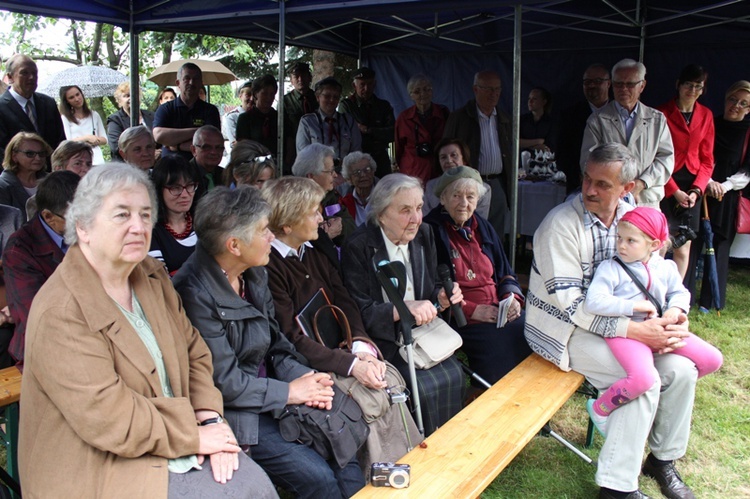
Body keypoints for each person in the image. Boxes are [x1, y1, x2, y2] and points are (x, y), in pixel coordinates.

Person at [19, 164, 275, 497]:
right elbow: (107, 415)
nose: (138, 227)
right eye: (121, 215)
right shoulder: (61, 310)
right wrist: (194, 435)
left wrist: (210, 417)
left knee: (255, 486)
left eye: (144, 214)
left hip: (175, 436)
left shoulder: (150, 275)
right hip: (103, 464)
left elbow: (195, 352)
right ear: (83, 227)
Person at [526, 143, 702, 499]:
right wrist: (637, 330)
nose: (589, 189)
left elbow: (657, 274)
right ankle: (617, 487)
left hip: (626, 325)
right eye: (587, 179)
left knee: (682, 370)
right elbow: (572, 305)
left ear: (628, 188)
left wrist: (673, 315)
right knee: (641, 380)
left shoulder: (634, 215)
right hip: (562, 330)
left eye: (603, 184)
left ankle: (662, 460)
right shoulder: (560, 225)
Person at [172, 186, 365, 498]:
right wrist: (289, 392)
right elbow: (223, 382)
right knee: (319, 478)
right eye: (263, 230)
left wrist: (302, 378)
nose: (271, 237)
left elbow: (276, 340)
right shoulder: (193, 293)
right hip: (237, 412)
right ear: (233, 245)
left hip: (274, 388)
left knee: (342, 445)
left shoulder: (253, 271)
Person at [341, 173, 466, 436]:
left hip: (424, 335)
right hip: (385, 338)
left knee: (454, 374)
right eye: (405, 210)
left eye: (419, 208)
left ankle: (450, 438)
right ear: (382, 214)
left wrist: (441, 298)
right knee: (418, 385)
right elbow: (360, 311)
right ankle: (425, 441)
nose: (417, 219)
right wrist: (402, 309)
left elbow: (429, 289)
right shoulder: (359, 246)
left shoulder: (424, 235)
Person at [584, 206, 722, 437]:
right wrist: (633, 306)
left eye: (631, 240)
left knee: (712, 359)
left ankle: (663, 401)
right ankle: (601, 409)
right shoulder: (611, 268)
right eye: (619, 238)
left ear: (655, 245)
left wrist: (676, 310)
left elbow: (679, 292)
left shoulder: (665, 267)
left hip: (658, 326)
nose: (621, 245)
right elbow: (594, 301)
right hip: (625, 332)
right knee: (643, 378)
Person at [424, 166, 530, 384]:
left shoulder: (482, 226)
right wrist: (473, 311)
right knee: (499, 346)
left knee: (533, 332)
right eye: (456, 196)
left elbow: (505, 271)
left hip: (499, 311)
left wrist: (512, 300)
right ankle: (496, 406)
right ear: (443, 199)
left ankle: (534, 406)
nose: (464, 203)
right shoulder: (430, 230)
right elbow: (431, 287)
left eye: (470, 196)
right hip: (462, 318)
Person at [3, 171, 79, 367]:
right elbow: (39, 316)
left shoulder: (91, 230)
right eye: (75, 218)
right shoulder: (20, 249)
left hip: (97, 337)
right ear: (48, 216)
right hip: (47, 349)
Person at [686, 80, 750, 311]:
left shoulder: (748, 131)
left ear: (749, 108)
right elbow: (700, 156)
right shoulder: (710, 123)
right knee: (693, 242)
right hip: (702, 189)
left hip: (728, 196)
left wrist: (725, 186)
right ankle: (686, 297)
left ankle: (711, 300)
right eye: (733, 100)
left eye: (743, 103)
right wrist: (709, 182)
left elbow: (747, 169)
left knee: (721, 246)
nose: (736, 106)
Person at [581, 58, 674, 209]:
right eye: (618, 84)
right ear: (611, 85)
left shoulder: (656, 119)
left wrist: (642, 183)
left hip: (647, 200)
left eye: (630, 84)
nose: (623, 89)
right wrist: (616, 186)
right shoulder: (597, 120)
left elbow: (666, 159)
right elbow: (588, 160)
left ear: (642, 86)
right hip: (609, 201)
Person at [656, 64, 714, 279]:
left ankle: (676, 297)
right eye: (688, 85)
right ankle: (654, 292)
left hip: (692, 187)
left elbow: (707, 160)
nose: (692, 90)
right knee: (659, 243)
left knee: (683, 246)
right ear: (678, 85)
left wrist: (697, 190)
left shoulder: (706, 115)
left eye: (698, 86)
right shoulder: (661, 113)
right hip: (665, 181)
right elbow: (654, 156)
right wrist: (673, 190)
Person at [444, 69, 511, 240]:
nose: (494, 94)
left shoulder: (504, 118)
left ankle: (493, 265)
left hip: (497, 183)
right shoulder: (460, 117)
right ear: (476, 89)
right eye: (488, 89)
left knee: (496, 234)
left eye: (497, 89)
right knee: (470, 232)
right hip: (469, 184)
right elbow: (447, 149)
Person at [558, 63, 611, 193]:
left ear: (608, 83)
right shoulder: (569, 116)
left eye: (597, 81)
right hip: (580, 185)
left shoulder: (618, 113)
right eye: (587, 82)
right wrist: (582, 176)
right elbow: (562, 153)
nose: (592, 85)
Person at [0, 54, 65, 159]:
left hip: (50, 172)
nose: (31, 77)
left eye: (34, 73)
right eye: (24, 73)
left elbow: (60, 141)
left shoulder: (48, 103)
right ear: (10, 77)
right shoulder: (2, 107)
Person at [153, 62, 221, 160]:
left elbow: (210, 143)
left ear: (201, 83)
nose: (191, 82)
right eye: (187, 78)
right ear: (178, 83)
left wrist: (177, 145)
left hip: (200, 169)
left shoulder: (210, 110)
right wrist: (199, 131)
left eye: (196, 79)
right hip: (171, 168)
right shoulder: (166, 109)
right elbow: (159, 136)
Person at [293, 143, 356, 249]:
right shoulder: (292, 204)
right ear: (311, 176)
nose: (335, 175)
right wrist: (323, 236)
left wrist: (341, 228)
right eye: (330, 171)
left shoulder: (331, 197)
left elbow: (352, 227)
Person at [148, 155, 200, 276]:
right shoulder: (151, 231)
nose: (184, 194)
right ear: (158, 190)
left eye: (190, 186)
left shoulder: (203, 222)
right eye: (175, 188)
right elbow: (161, 279)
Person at [339, 67, 395, 178]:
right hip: (357, 159)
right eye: (362, 85)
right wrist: (378, 133)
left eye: (370, 84)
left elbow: (393, 133)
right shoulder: (347, 105)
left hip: (380, 158)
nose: (366, 88)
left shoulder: (383, 106)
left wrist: (368, 130)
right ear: (354, 86)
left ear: (374, 84)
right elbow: (346, 133)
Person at [394, 74, 450, 184]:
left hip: (438, 170)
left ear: (432, 92)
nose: (422, 94)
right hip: (412, 172)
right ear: (411, 96)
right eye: (417, 91)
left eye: (426, 89)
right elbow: (398, 148)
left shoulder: (444, 113)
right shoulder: (404, 117)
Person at [296, 77, 361, 163]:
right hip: (318, 173)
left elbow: (356, 152)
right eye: (327, 96)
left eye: (336, 97)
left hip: (345, 173)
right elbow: (303, 156)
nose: (331, 100)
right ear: (318, 97)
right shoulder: (307, 122)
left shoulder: (349, 121)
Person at [423, 138, 491, 219]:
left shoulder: (483, 188)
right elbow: (425, 219)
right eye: (443, 157)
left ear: (464, 159)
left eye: (454, 155)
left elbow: (480, 221)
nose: (449, 161)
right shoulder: (431, 186)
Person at [0, 131, 50, 220]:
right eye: (30, 154)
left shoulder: (52, 181)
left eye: (41, 153)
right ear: (14, 156)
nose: (38, 158)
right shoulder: (3, 186)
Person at [58, 85, 107, 164]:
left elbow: (104, 139)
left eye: (78, 94)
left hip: (97, 159)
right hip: (77, 159)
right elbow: (67, 142)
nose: (77, 99)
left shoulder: (94, 115)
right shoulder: (65, 118)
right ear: (67, 101)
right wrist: (86, 138)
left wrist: (95, 139)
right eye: (71, 97)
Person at [107, 82, 155, 161]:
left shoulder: (152, 116)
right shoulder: (115, 120)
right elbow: (116, 146)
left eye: (135, 95)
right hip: (126, 167)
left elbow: (162, 139)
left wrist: (154, 152)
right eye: (127, 96)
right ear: (119, 101)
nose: (131, 98)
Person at [284, 62, 318, 170]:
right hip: (294, 151)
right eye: (296, 76)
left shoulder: (318, 98)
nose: (300, 79)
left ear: (310, 77)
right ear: (291, 80)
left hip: (317, 149)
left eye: (303, 75)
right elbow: (284, 130)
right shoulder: (285, 101)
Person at [236, 75, 278, 157]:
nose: (269, 97)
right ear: (255, 94)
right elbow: (243, 147)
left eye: (272, 94)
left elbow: (288, 145)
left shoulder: (280, 118)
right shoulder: (245, 119)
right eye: (264, 93)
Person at [339, 151, 376, 226]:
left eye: (367, 169)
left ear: (373, 172)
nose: (363, 175)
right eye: (357, 172)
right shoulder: (343, 202)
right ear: (349, 179)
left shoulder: (385, 197)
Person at [222, 81, 253, 163]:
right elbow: (236, 143)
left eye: (254, 95)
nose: (251, 99)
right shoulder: (232, 117)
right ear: (240, 96)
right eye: (248, 95)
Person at [519, 87, 558, 153]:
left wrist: (527, 145)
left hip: (543, 161)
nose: (530, 102)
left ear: (544, 102)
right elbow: (516, 142)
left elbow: (548, 147)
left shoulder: (551, 122)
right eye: (529, 98)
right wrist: (538, 141)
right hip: (523, 161)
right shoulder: (522, 120)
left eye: (534, 99)